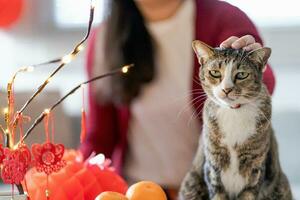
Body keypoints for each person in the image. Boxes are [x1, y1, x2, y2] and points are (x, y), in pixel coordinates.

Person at [80, 0, 275, 199]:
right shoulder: (104, 38)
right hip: (133, 192)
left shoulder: (224, 18)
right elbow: (98, 140)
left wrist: (252, 66)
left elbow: (264, 83)